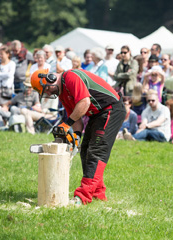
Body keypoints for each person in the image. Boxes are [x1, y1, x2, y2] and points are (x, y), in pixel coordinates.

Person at [31, 68, 125, 206]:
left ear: (50, 78)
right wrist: (76, 136)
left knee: (96, 152)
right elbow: (77, 119)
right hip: (97, 114)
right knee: (86, 151)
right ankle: (97, 193)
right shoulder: (62, 94)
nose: (49, 93)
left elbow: (84, 103)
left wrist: (66, 124)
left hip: (111, 109)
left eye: (47, 89)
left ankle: (83, 196)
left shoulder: (71, 77)